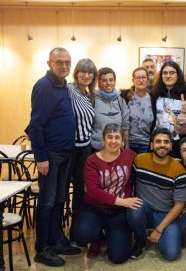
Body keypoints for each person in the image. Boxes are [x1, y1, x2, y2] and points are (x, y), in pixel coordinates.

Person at [28, 47, 80, 267]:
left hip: (65, 153)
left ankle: (56, 240)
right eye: (59, 62)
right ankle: (43, 248)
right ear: (49, 63)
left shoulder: (63, 86)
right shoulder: (44, 86)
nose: (64, 66)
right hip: (50, 154)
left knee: (60, 200)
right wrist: (41, 157)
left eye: (68, 62)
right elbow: (36, 124)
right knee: (47, 202)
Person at [75, 124, 140, 264]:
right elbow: (92, 191)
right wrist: (123, 201)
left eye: (117, 137)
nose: (113, 141)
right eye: (109, 137)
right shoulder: (92, 160)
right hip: (94, 207)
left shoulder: (130, 156)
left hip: (118, 212)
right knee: (82, 236)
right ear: (103, 140)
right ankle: (96, 238)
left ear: (122, 140)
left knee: (118, 257)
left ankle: (112, 234)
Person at [127, 128, 186, 261]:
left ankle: (162, 235)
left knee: (171, 254)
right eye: (158, 141)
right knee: (134, 207)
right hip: (144, 210)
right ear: (151, 145)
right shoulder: (139, 160)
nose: (162, 145)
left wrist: (160, 229)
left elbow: (179, 205)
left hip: (165, 214)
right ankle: (141, 239)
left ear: (171, 145)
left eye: (166, 142)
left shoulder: (178, 169)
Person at [66, 58, 98, 243]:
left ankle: (76, 232)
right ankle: (58, 236)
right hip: (69, 148)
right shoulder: (68, 90)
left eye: (90, 72)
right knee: (62, 191)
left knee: (80, 191)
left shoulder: (90, 95)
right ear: (76, 73)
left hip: (85, 147)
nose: (86, 75)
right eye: (83, 72)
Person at [152, 61, 186, 158]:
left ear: (178, 74)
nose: (168, 76)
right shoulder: (154, 93)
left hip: (179, 142)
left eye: (172, 73)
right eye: (165, 73)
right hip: (159, 141)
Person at [91, 67, 129, 152]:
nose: (108, 83)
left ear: (115, 81)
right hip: (97, 149)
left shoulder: (120, 100)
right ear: (99, 82)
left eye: (111, 80)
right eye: (104, 80)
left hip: (117, 148)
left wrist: (126, 147)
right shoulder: (93, 100)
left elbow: (125, 126)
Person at [127, 67, 156, 154]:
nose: (141, 80)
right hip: (128, 143)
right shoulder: (125, 97)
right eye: (138, 78)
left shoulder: (153, 98)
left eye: (143, 77)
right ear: (133, 80)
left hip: (146, 144)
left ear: (147, 80)